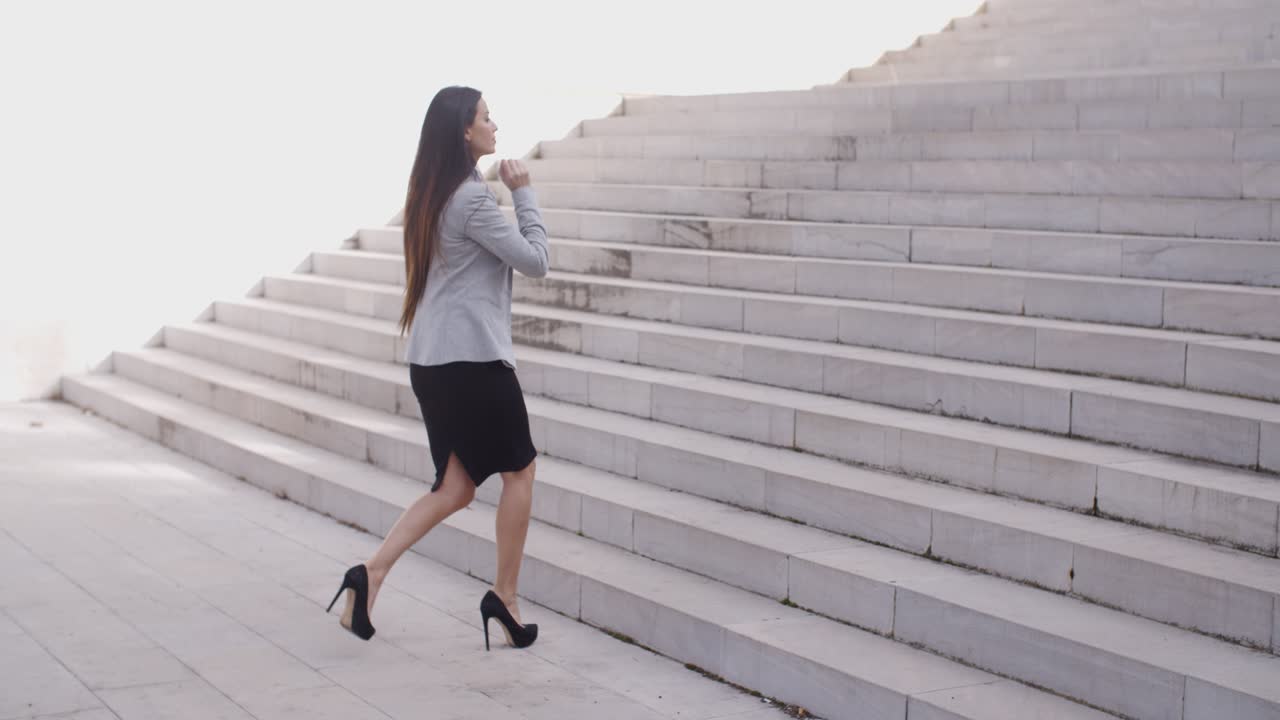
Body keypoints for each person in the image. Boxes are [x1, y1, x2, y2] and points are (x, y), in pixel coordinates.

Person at [325, 85, 548, 651]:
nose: (495, 126)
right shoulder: (472, 201)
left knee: (454, 488)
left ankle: (369, 574)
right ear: (464, 133)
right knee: (519, 471)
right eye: (485, 118)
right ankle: (506, 596)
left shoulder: (432, 193)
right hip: (471, 363)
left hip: (434, 362)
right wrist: (523, 194)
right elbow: (536, 261)